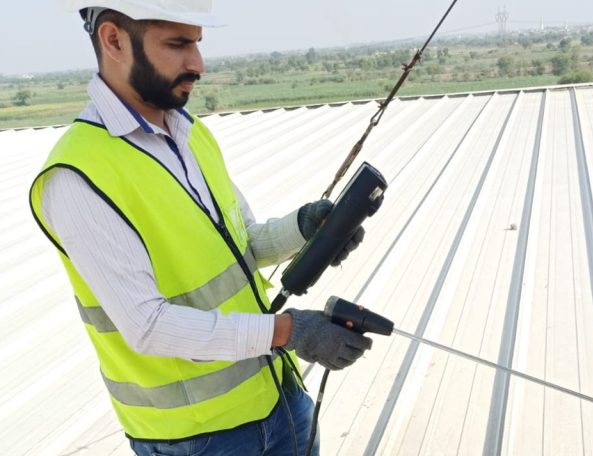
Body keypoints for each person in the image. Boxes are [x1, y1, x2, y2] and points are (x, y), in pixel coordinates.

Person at [29, 1, 372, 454]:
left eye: (197, 43)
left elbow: (242, 245)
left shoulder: (189, 134)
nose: (198, 63)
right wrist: (290, 331)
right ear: (113, 40)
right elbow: (149, 326)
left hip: (278, 398)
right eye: (177, 44)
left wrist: (308, 230)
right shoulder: (77, 175)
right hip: (199, 439)